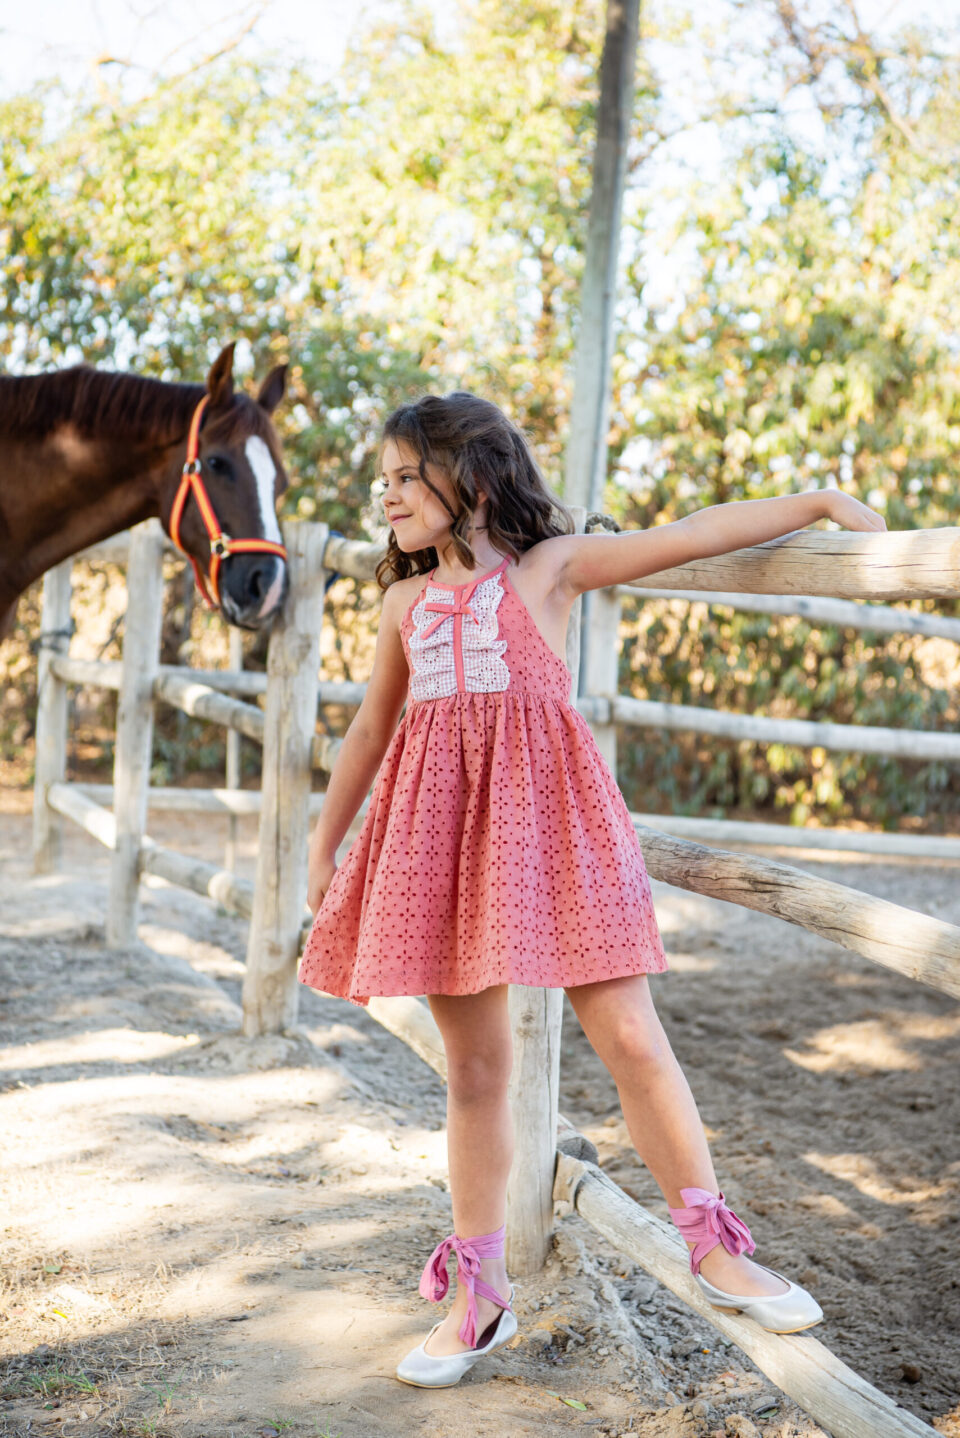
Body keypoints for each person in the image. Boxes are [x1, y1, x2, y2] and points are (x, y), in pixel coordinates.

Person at [298, 391, 886, 1390]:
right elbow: (367, 731)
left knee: (630, 1034)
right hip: (444, 848)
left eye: (406, 476)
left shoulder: (550, 569)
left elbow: (687, 536)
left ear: (470, 478)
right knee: (476, 1072)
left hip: (559, 834)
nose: (387, 496)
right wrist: (322, 851)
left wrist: (821, 497)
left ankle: (712, 1239)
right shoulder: (403, 606)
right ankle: (478, 1296)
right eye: (383, 480)